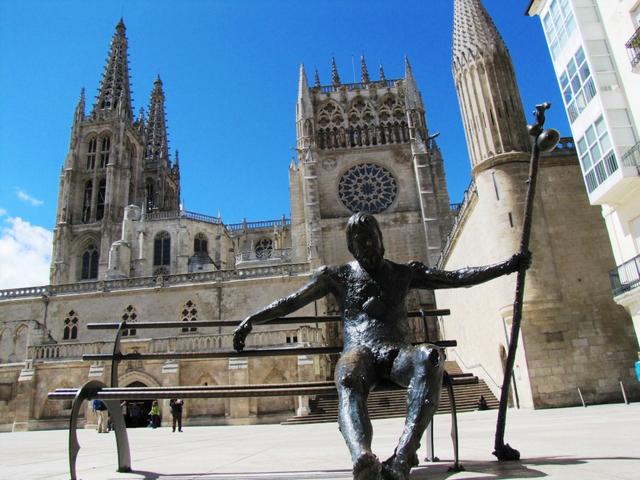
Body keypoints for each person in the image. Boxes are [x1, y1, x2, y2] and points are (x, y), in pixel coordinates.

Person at [233, 212, 529, 480]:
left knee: (430, 356)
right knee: (348, 376)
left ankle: (402, 457)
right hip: (359, 352)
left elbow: (456, 278)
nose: (367, 245)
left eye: (370, 238)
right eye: (359, 240)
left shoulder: (403, 273)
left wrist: (508, 266)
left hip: (398, 354)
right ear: (351, 246)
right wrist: (252, 319)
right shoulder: (336, 276)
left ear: (381, 238)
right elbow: (290, 302)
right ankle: (362, 457)